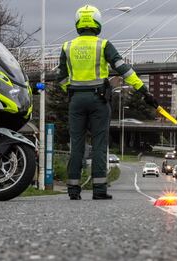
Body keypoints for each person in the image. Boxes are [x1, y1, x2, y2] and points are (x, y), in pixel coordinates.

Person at [56, 5, 158, 200]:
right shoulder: (103, 45)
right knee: (100, 144)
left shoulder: (67, 47)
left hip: (76, 100)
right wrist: (143, 90)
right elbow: (124, 70)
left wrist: (71, 91)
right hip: (98, 101)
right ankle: (99, 190)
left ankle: (73, 190)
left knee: (76, 144)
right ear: (97, 22)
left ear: (78, 23)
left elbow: (60, 78)